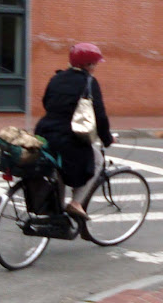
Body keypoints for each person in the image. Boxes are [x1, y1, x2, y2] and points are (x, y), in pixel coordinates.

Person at [35, 42, 116, 220]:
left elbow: (46, 103)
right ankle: (76, 203)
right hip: (68, 137)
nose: (95, 67)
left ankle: (56, 214)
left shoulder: (56, 78)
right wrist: (107, 138)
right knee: (97, 160)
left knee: (59, 168)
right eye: (94, 63)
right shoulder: (89, 82)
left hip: (44, 133)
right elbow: (100, 115)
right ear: (88, 64)